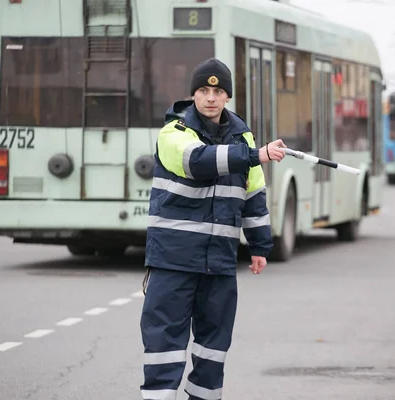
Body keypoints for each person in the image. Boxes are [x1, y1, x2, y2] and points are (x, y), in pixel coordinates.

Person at [139, 58, 286, 400]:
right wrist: (255, 154)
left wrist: (260, 246)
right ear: (193, 95)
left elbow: (252, 193)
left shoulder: (241, 136)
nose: (210, 98)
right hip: (173, 260)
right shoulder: (173, 133)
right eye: (204, 90)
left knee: (213, 349)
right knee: (164, 344)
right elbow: (198, 162)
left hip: (219, 262)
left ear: (227, 97)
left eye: (218, 91)